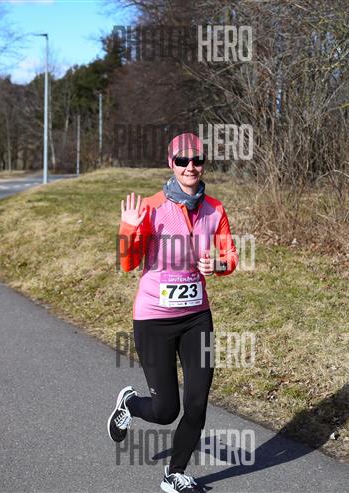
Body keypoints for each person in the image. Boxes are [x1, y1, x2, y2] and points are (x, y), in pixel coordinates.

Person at [108, 133, 239, 493]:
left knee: (197, 402)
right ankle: (131, 404)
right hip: (154, 319)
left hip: (197, 319)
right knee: (166, 410)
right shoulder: (151, 207)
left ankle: (174, 473)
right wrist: (128, 227)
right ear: (171, 164)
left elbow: (231, 256)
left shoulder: (215, 209)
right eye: (182, 161)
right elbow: (127, 263)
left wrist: (218, 265)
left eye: (197, 160)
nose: (190, 167)